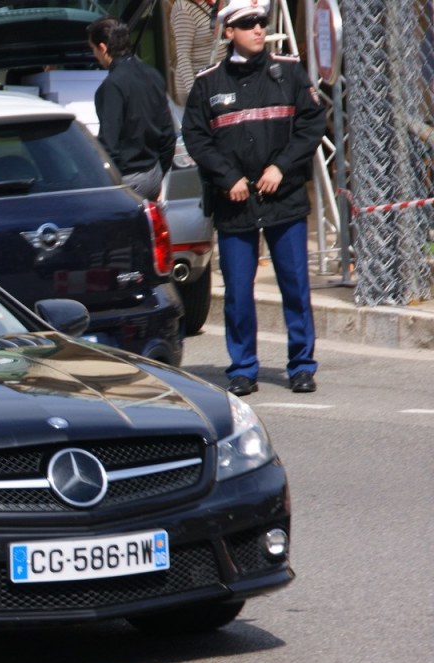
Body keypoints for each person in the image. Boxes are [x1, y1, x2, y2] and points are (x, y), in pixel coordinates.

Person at [182, 0, 327, 395]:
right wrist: (228, 177)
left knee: (295, 286)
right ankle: (243, 367)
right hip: (236, 203)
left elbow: (312, 123)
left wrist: (281, 167)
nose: (258, 30)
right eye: (247, 24)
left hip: (284, 198)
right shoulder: (208, 82)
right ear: (229, 32)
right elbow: (196, 137)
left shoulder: (289, 72)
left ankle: (301, 365)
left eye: (261, 22)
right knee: (238, 293)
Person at [87, 18, 176, 200]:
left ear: (103, 48)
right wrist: (160, 173)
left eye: (93, 49)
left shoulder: (112, 86)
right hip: (153, 174)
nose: (95, 55)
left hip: (128, 180)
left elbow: (109, 144)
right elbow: (168, 132)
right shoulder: (152, 74)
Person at [171, 0, 218, 106]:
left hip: (216, 79)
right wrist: (194, 94)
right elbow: (183, 55)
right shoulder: (183, 8)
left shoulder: (212, 3)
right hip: (197, 82)